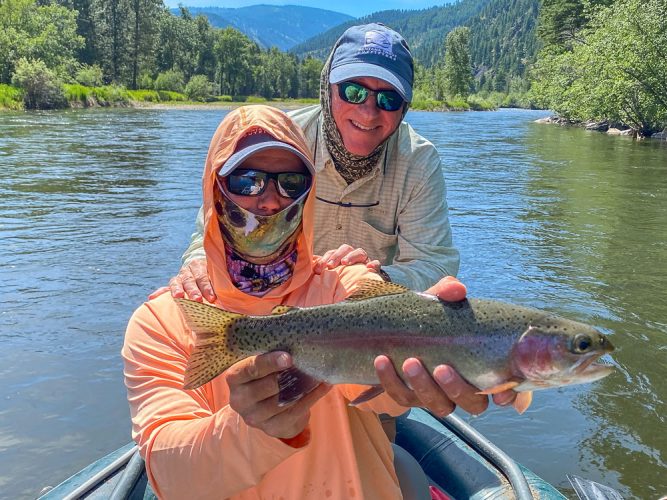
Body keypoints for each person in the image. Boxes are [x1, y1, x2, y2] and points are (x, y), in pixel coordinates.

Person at [122, 105, 513, 499]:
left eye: (291, 182)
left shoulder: (344, 283)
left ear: (308, 194)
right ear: (215, 188)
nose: (271, 201)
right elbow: (171, 476)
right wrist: (249, 430)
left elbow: (379, 398)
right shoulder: (161, 321)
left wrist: (424, 359)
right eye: (247, 180)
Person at [171, 22, 460, 303]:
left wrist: (373, 278)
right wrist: (198, 264)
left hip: (362, 316)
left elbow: (434, 265)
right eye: (354, 91)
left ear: (405, 108)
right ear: (328, 88)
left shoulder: (418, 162)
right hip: (273, 299)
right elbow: (213, 225)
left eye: (388, 99)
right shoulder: (284, 142)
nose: (369, 112)